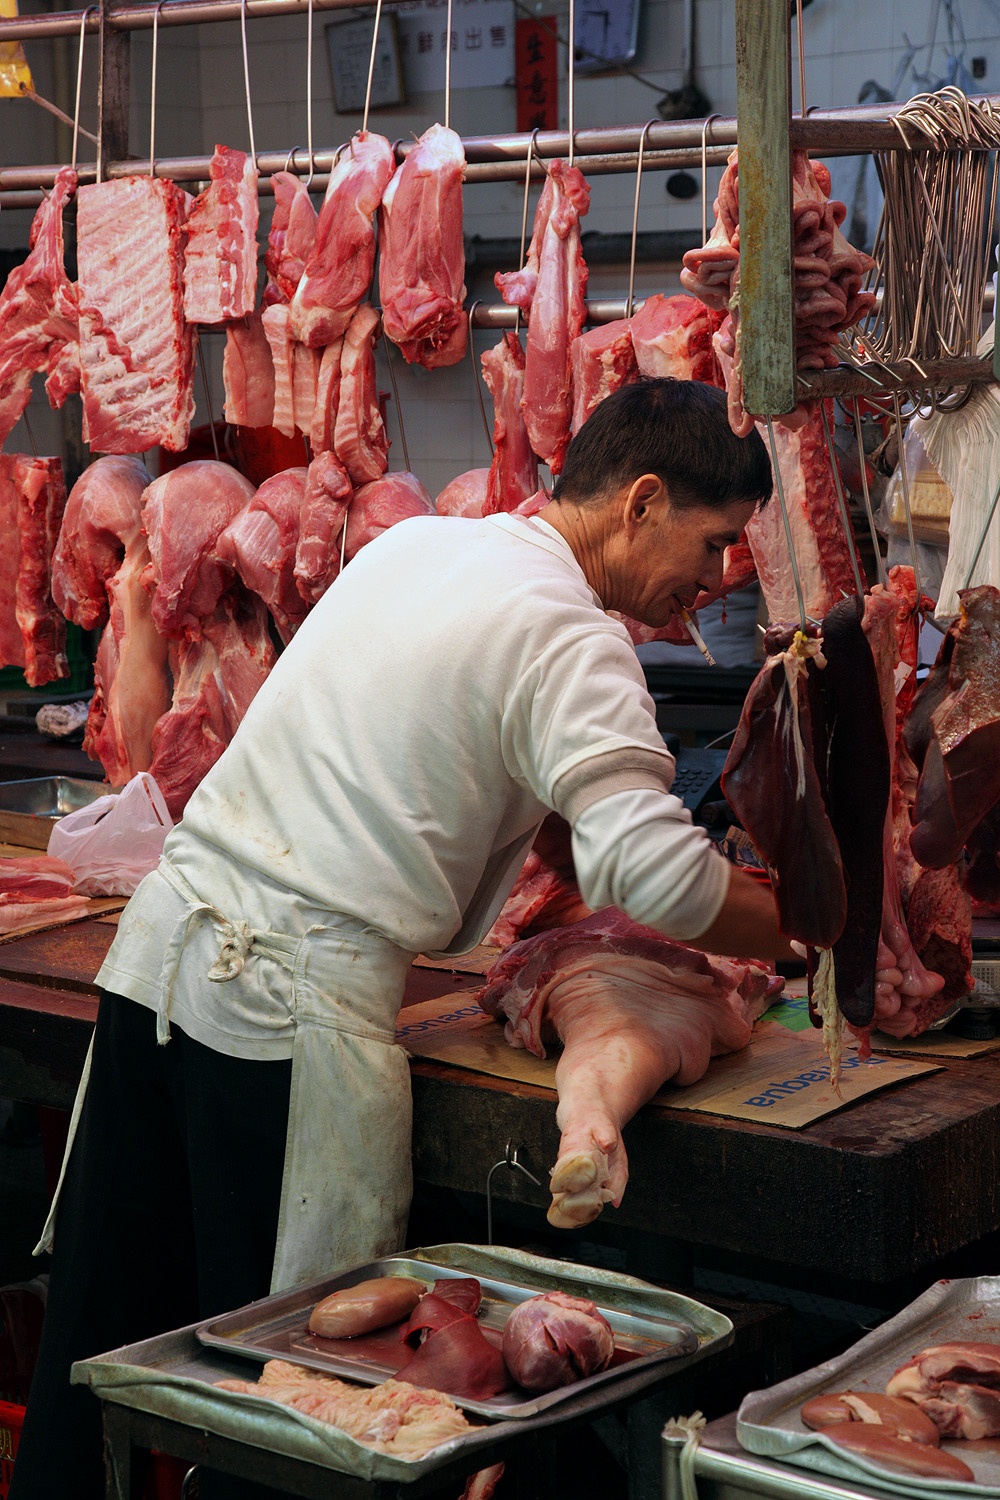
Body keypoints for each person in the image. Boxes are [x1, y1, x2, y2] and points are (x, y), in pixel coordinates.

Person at [12, 377, 792, 1500]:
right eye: (714, 544)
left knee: (107, 1359)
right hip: (278, 1020)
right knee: (299, 1415)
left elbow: (528, 809)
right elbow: (649, 869)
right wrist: (808, 920)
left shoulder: (424, 550)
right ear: (641, 501)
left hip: (161, 968)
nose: (715, 582)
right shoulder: (575, 637)